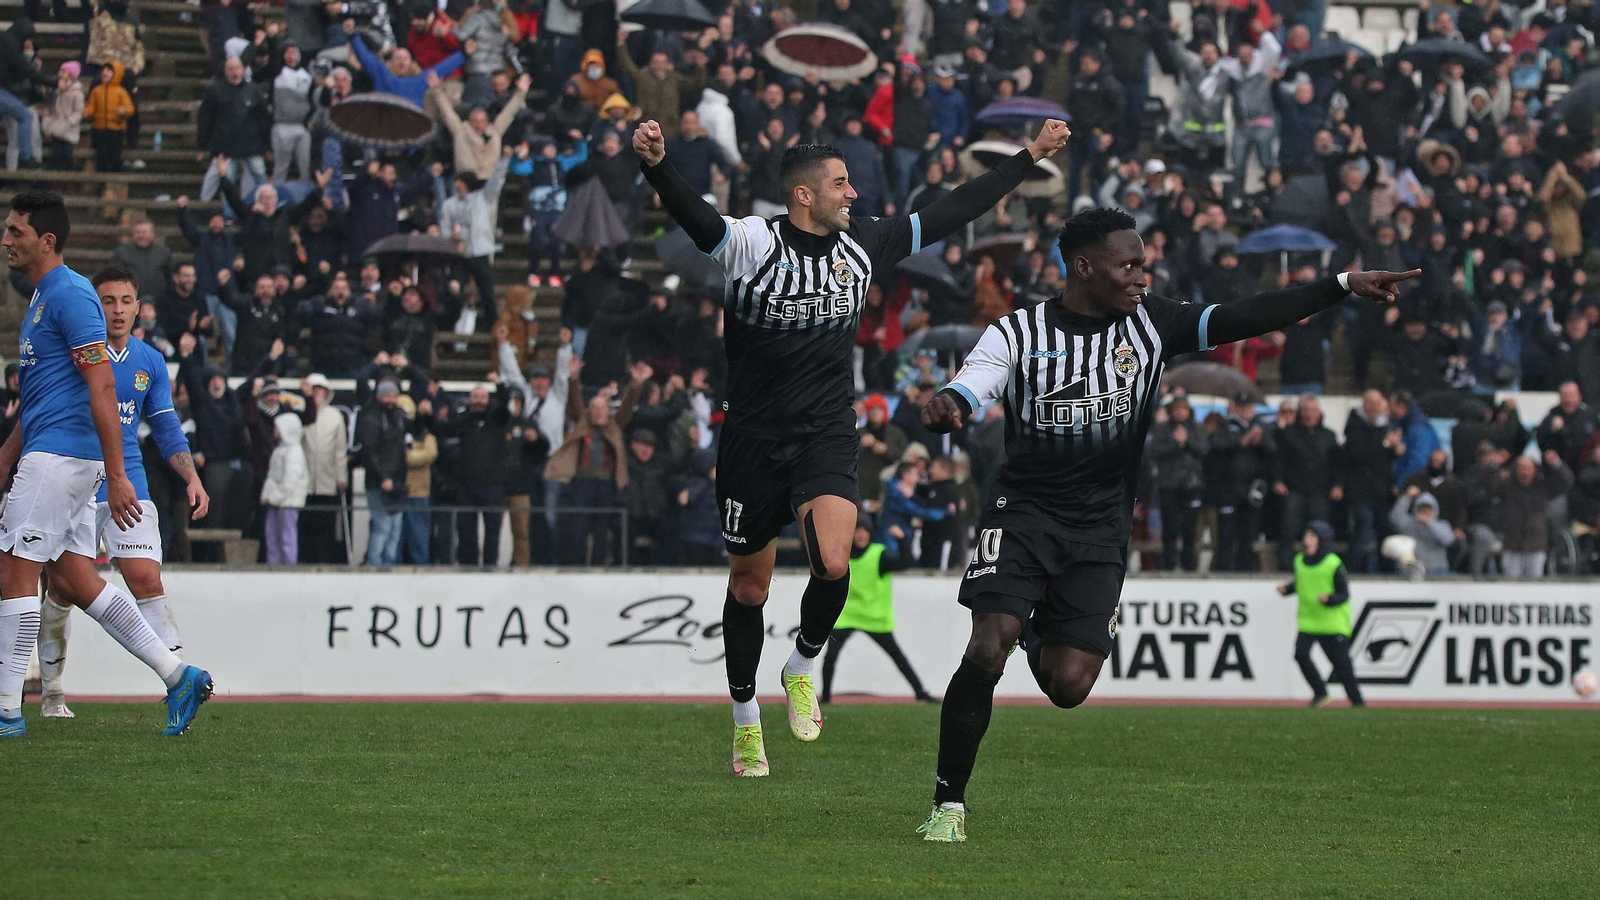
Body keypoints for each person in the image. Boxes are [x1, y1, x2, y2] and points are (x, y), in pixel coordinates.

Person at [915, 206, 1418, 841]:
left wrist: (1339, 286)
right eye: (1128, 266)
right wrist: (950, 403)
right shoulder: (1018, 332)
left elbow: (1246, 317)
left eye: (1144, 266)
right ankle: (948, 806)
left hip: (1100, 525)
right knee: (989, 645)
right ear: (1084, 267)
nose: (1141, 278)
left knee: (1068, 687)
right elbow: (975, 382)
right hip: (1024, 513)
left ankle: (1039, 616)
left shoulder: (1154, 324)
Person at [634, 114, 1071, 778]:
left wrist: (1028, 157)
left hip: (826, 433)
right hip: (752, 441)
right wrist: (658, 165)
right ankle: (746, 717)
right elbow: (700, 224)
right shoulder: (754, 243)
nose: (854, 194)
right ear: (804, 194)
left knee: (834, 561)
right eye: (841, 184)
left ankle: (804, 661)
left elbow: (953, 209)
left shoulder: (864, 242)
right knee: (749, 590)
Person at [0, 191, 213, 738]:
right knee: (71, 577)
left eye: (15, 231)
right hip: (60, 454)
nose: (6, 240)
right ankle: (178, 674)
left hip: (62, 458)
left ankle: (5, 711)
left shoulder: (69, 295)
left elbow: (100, 384)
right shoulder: (45, 297)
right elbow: (47, 393)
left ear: (46, 241)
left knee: (14, 572)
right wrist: (6, 455)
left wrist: (118, 476)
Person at [35, 263, 211, 719]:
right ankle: (52, 692)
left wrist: (190, 476)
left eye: (125, 301)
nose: (116, 310)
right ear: (95, 305)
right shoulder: (75, 352)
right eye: (107, 300)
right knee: (61, 590)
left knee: (146, 579)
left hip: (127, 482)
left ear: (138, 307)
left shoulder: (149, 361)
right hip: (76, 480)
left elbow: (166, 425)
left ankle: (180, 683)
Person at [820, 512, 934, 704]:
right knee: (830, 656)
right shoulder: (842, 555)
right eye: (857, 530)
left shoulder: (879, 555)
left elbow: (904, 563)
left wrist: (904, 539)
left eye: (864, 530)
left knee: (898, 657)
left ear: (870, 533)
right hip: (847, 615)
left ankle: (920, 692)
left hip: (874, 617)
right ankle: (825, 699)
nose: (861, 535)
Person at [1275, 521, 1365, 709]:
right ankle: (1320, 692)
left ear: (1322, 541)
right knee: (1301, 654)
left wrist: (1330, 599)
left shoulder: (1333, 564)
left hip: (1332, 622)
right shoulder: (1299, 560)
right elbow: (1301, 583)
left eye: (1312, 536)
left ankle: (1357, 701)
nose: (1306, 540)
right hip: (1308, 620)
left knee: (1341, 665)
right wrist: (1287, 589)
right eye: (1306, 536)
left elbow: (1344, 594)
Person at [359, 381, 408, 565]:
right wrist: (383, 477)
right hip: (379, 483)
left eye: (394, 396)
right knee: (382, 527)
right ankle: (374, 565)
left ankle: (389, 566)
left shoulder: (398, 418)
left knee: (395, 529)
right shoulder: (371, 419)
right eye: (387, 395)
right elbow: (369, 453)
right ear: (379, 397)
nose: (391, 399)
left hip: (397, 483)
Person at [259, 412, 307, 564]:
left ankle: (289, 566)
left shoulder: (294, 452)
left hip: (288, 503)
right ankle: (273, 564)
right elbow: (273, 477)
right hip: (274, 502)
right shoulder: (280, 449)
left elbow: (290, 482)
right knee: (271, 536)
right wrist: (268, 497)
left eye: (277, 428)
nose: (274, 432)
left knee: (287, 537)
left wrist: (274, 497)